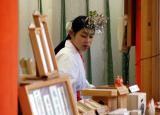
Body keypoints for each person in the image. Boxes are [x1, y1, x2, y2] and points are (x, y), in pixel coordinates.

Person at [55, 13, 106, 100]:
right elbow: (63, 90)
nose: (87, 40)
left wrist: (103, 92)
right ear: (71, 33)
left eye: (91, 36)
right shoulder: (66, 56)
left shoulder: (75, 54)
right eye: (83, 36)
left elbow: (82, 85)